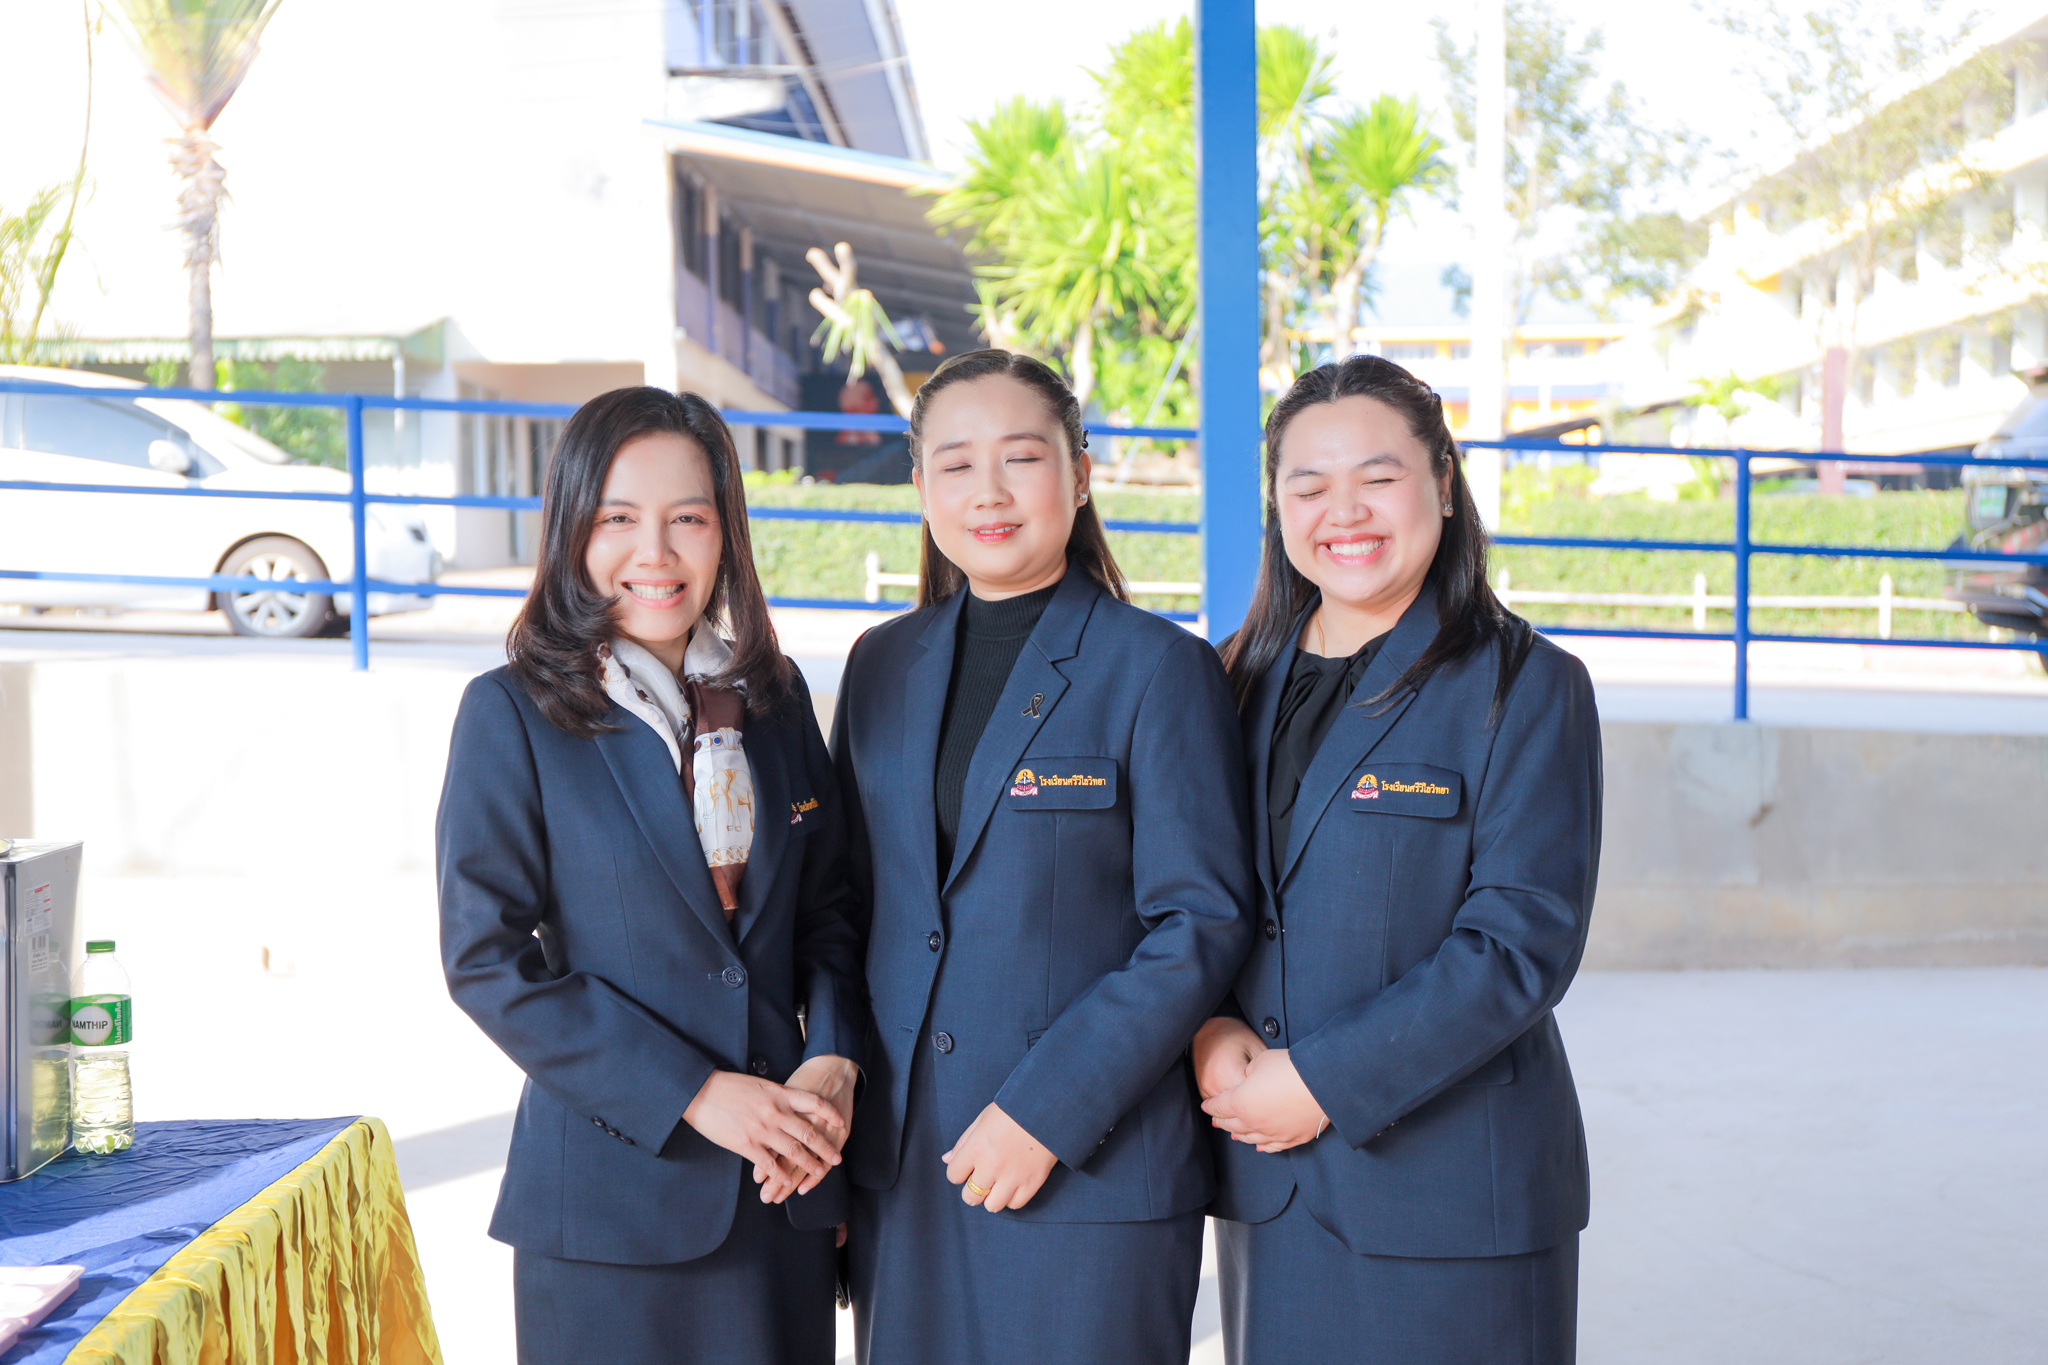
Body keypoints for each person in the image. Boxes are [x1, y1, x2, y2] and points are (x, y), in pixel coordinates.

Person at [831, 349, 1254, 1365]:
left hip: (1087, 1165)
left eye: (1021, 458)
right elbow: (845, 904)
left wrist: (1046, 1111)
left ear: (1081, 474)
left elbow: (1199, 921)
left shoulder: (1157, 666)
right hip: (906, 1164)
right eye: (955, 464)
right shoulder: (880, 664)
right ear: (920, 484)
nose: (988, 491)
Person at [436, 387, 865, 1365]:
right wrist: (694, 1092)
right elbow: (488, 962)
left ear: (725, 533)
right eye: (618, 519)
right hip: (612, 1202)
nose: (656, 553)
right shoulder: (512, 713)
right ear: (572, 530)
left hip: (783, 1187)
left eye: (688, 519)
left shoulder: (773, 698)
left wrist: (835, 1059)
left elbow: (830, 911)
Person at [1195, 355, 1602, 1365]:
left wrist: (1321, 1079)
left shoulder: (1525, 685)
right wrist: (1206, 1028)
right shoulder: (1227, 679)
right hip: (1268, 1181)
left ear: (1443, 485)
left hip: (1453, 1192)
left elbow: (1517, 948)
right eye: (1308, 485)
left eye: (1378, 477)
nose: (1344, 512)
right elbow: (1192, 900)